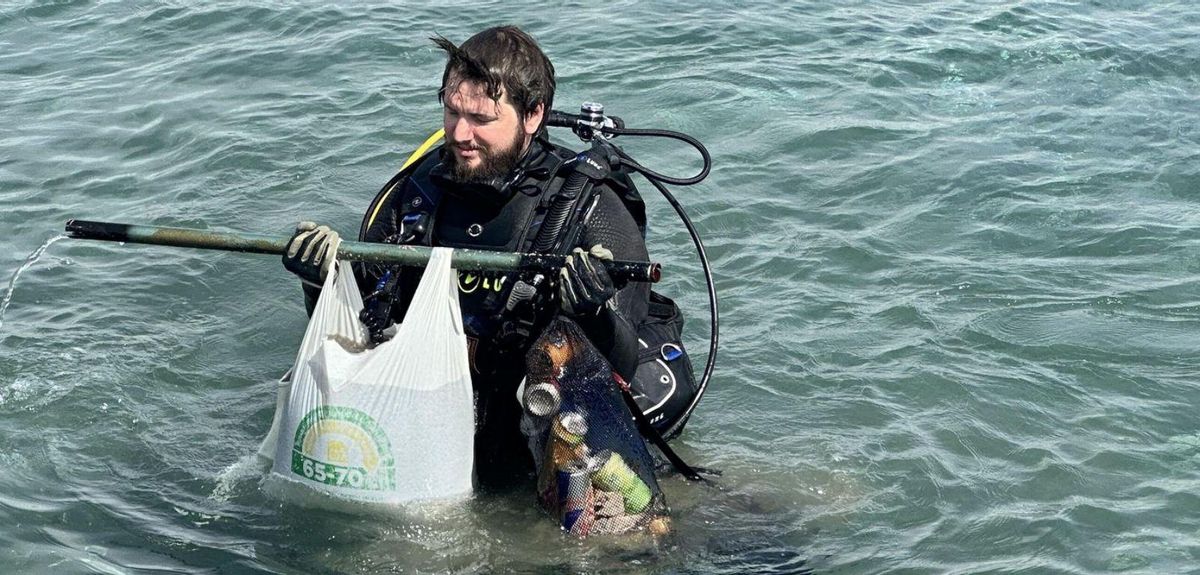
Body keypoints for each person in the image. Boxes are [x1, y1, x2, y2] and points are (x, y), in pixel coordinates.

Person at [282, 26, 671, 487]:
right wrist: (319, 282)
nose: (460, 134)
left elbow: (624, 365)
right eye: (452, 112)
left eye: (482, 119)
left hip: (550, 435)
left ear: (533, 115)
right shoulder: (416, 195)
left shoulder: (592, 207)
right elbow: (362, 336)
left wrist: (593, 310)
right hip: (445, 426)